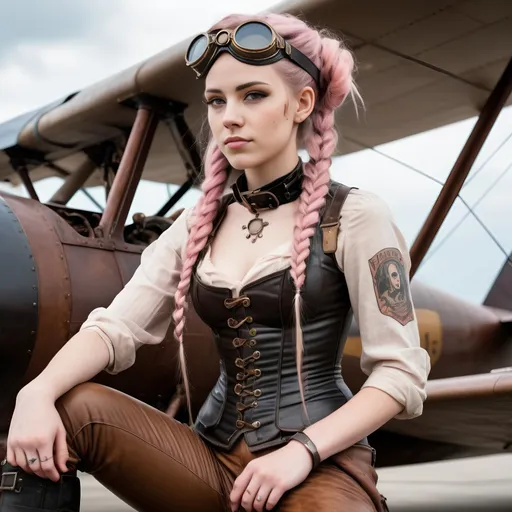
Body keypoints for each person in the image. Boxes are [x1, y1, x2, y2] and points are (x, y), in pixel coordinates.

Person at [0, 12, 430, 512]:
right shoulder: (197, 224)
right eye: (216, 100)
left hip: (318, 464)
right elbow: (114, 329)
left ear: (302, 103)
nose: (229, 116)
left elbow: (399, 375)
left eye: (253, 95)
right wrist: (35, 393)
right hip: (210, 459)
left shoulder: (354, 216)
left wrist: (301, 451)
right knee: (65, 408)